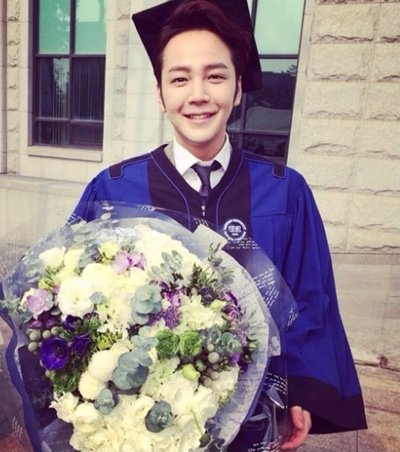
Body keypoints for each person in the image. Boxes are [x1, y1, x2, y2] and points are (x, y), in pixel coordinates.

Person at [71, 0, 367, 450]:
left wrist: (302, 392)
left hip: (254, 418)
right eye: (180, 78)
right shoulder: (114, 190)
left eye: (215, 76)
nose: (198, 94)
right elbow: (74, 303)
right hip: (142, 425)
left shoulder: (284, 192)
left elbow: (311, 297)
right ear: (160, 93)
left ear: (238, 86)